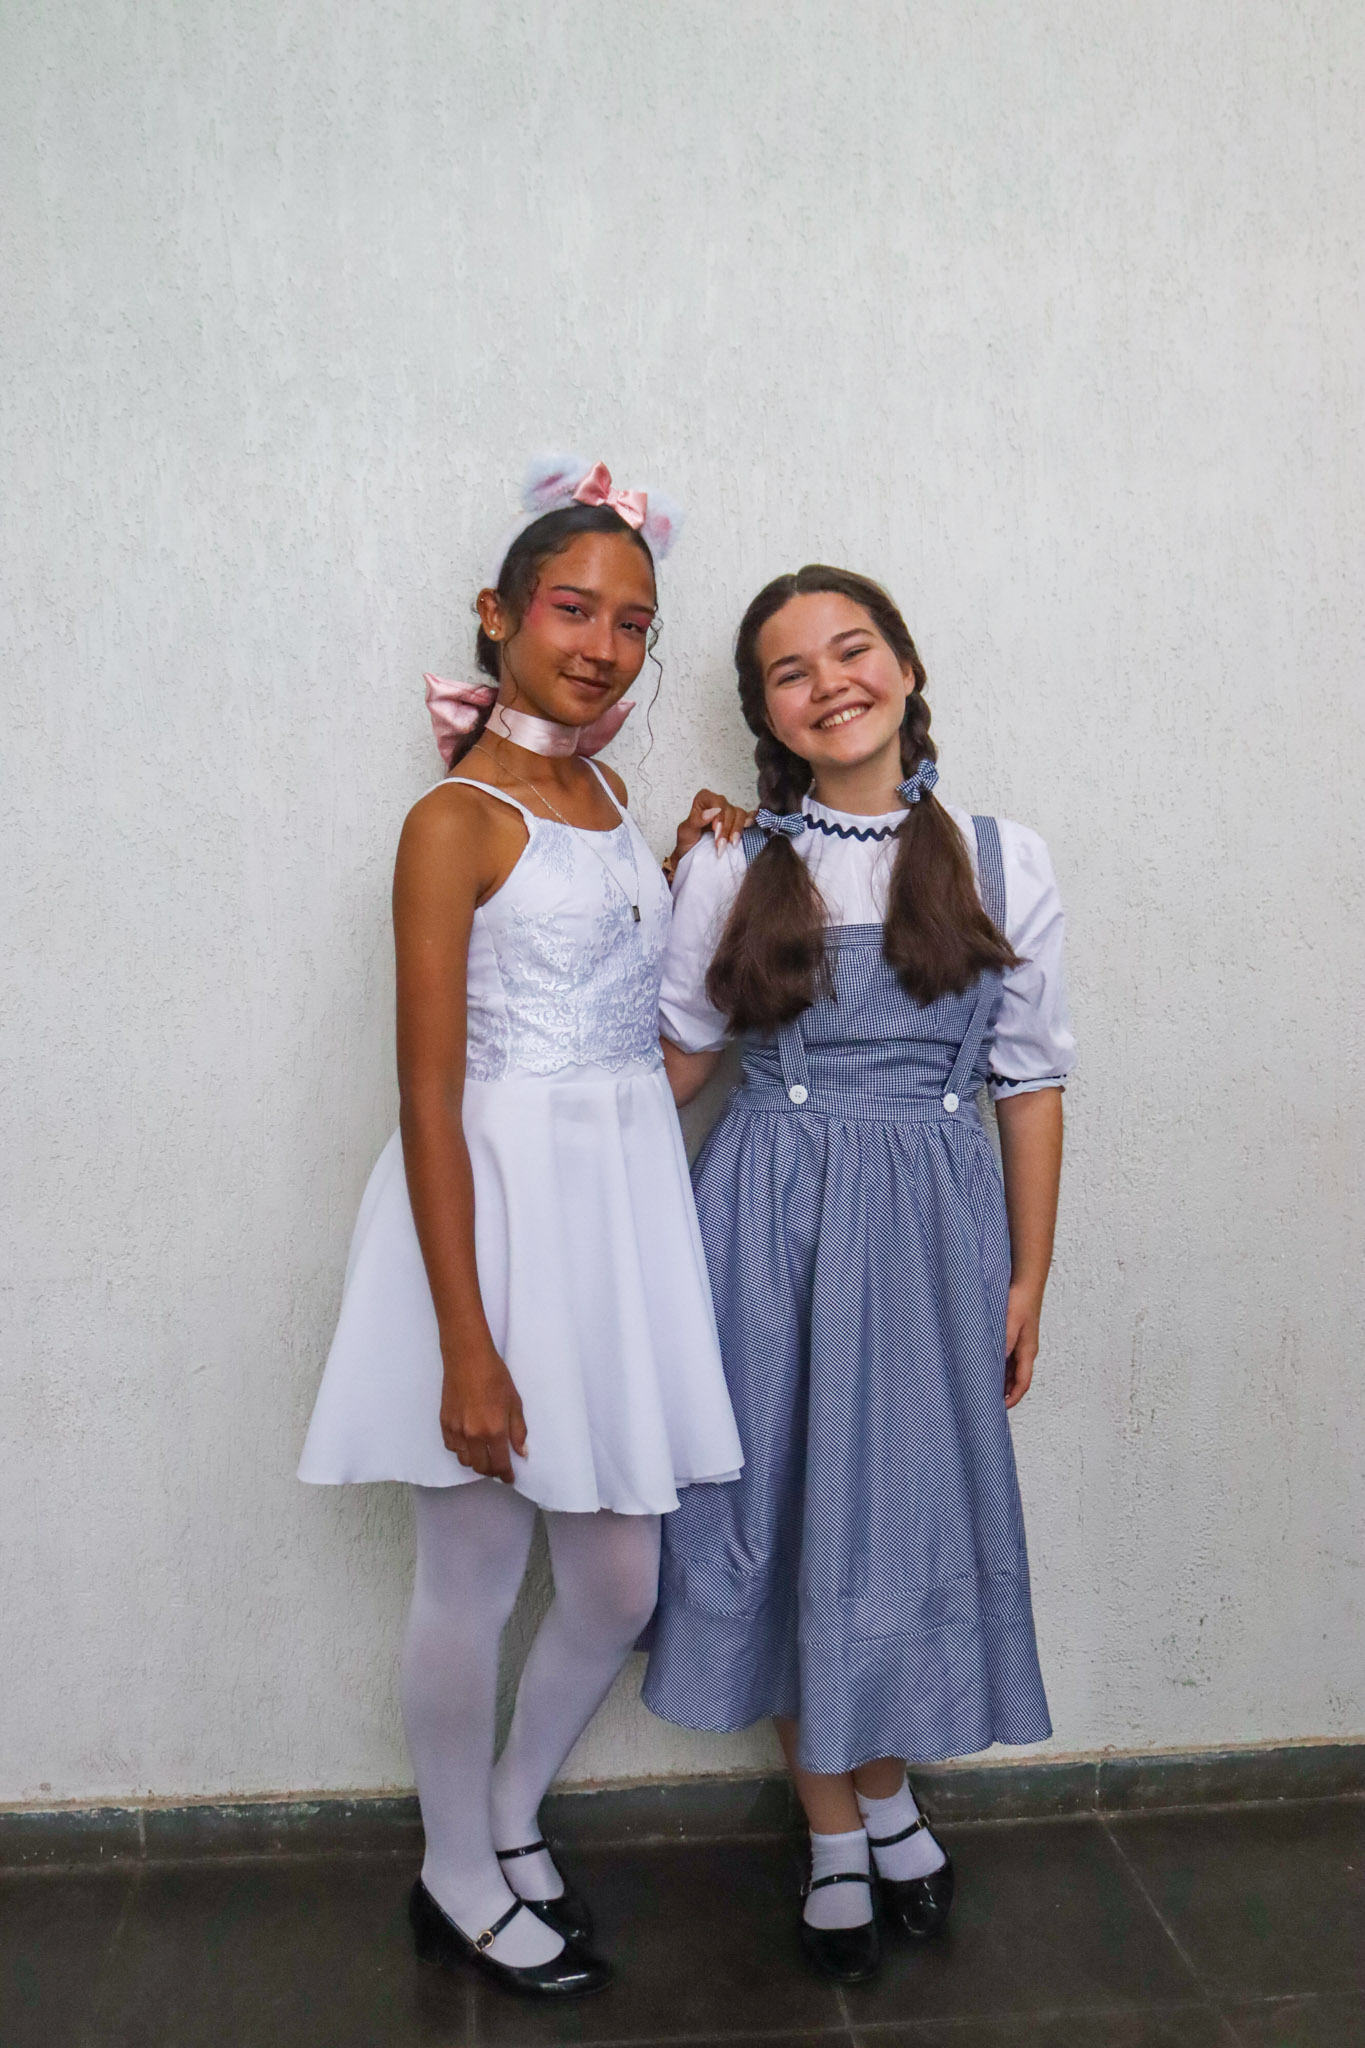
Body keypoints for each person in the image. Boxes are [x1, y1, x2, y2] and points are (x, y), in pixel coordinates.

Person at [299, 456, 745, 1998]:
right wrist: (466, 1348)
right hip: (488, 1232)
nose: (603, 645)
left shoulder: (609, 800)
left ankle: (499, 1817)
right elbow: (428, 1098)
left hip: (611, 1226)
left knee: (617, 1584)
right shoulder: (453, 819)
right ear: (496, 616)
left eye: (632, 623)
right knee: (474, 1581)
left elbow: (634, 1039)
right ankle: (451, 1869)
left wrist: (697, 885)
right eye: (572, 608)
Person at [642, 564, 1074, 1983]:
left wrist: (1027, 1276)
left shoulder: (1002, 859)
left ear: (905, 665)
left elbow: (1028, 1082)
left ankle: (883, 1798)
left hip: (935, 1237)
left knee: (891, 1525)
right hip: (768, 1223)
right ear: (765, 711)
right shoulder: (732, 865)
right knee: (783, 1515)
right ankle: (841, 1829)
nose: (829, 682)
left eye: (853, 648)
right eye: (791, 669)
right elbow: (676, 1067)